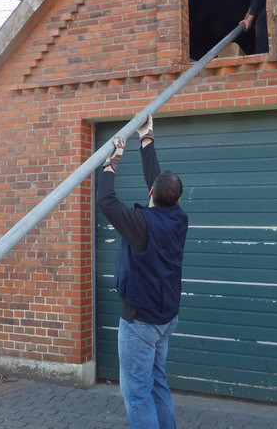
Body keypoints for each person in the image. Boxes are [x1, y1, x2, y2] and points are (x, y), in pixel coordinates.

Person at [96, 116, 189, 429]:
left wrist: (112, 162)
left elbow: (106, 201)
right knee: (157, 382)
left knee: (136, 392)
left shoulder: (142, 226)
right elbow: (157, 184)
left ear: (151, 194)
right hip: (165, 317)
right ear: (177, 199)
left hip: (141, 322)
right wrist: (146, 138)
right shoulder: (179, 218)